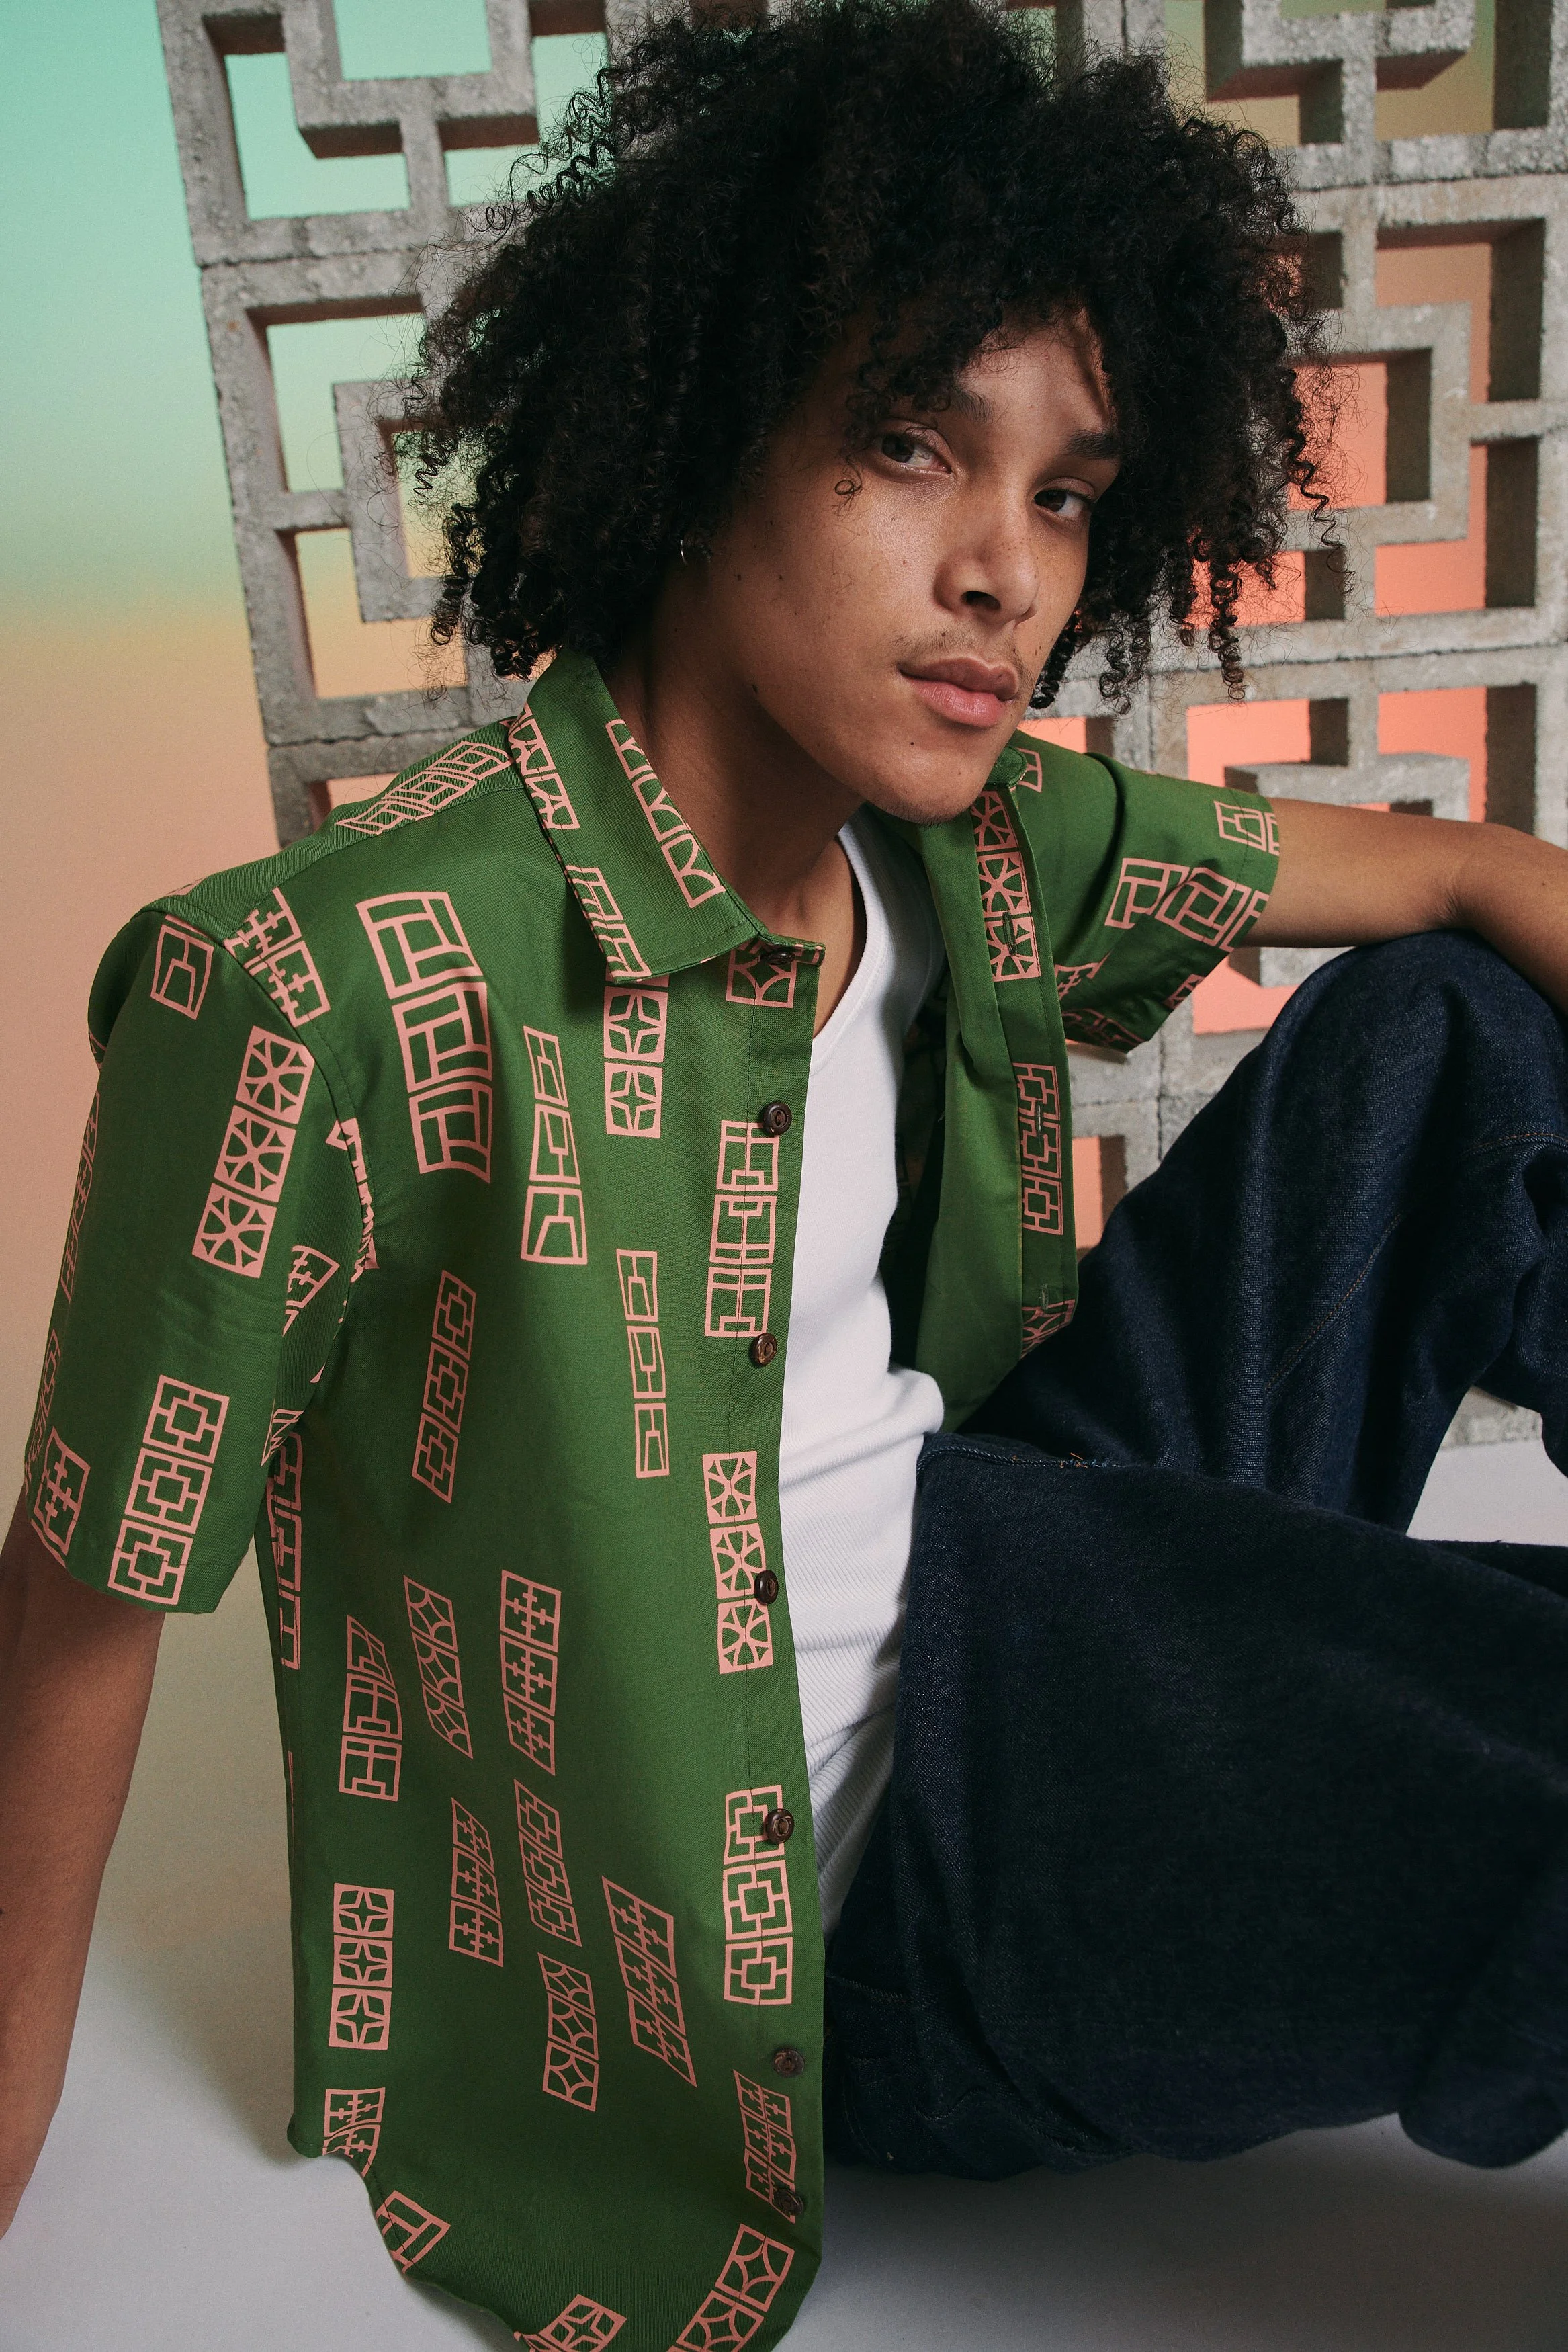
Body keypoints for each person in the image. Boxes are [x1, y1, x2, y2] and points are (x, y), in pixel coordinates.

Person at [5, 1, 1568, 2341]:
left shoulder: (963, 841)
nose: (1002, 575)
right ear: (696, 427)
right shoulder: (327, 984)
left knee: (1443, 1041)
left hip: (1022, 1567)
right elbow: (75, 1611)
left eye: (1059, 492)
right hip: (855, 1915)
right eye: (911, 449)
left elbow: (1470, 876)